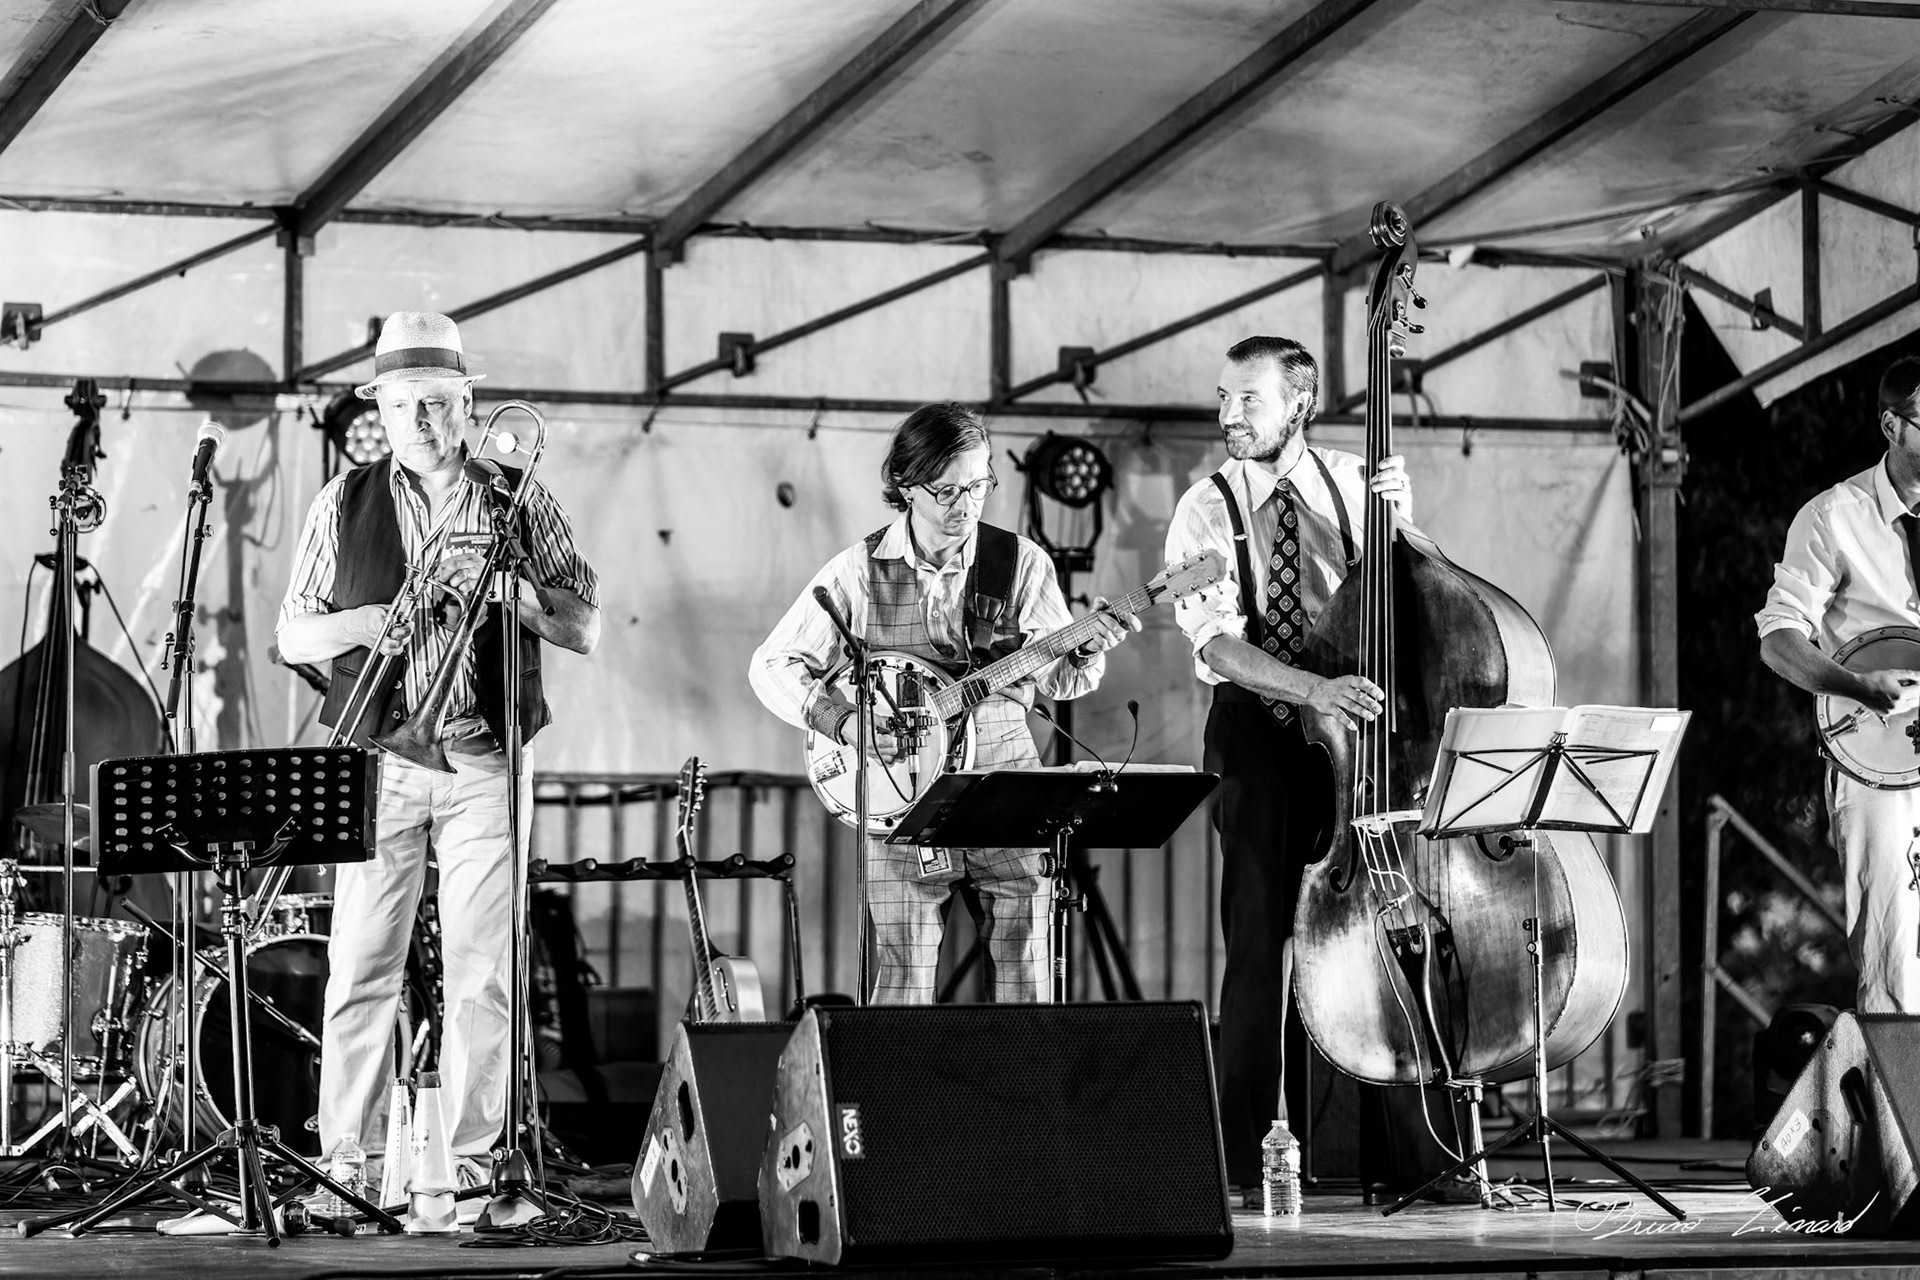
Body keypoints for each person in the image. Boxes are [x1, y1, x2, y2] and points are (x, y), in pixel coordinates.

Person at [277, 312, 600, 1188]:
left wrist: (512, 591)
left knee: (482, 974)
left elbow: (585, 626)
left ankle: (468, 1163)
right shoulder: (340, 501)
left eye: (439, 402)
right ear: (377, 405)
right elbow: (293, 634)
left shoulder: (516, 495)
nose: (421, 421)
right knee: (359, 968)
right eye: (403, 403)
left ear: (468, 402)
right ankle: (347, 1162)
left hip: (485, 760)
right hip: (381, 760)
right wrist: (367, 620)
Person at [1165, 335, 1465, 1198]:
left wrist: (1405, 530)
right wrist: (1313, 689)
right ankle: (1236, 1164)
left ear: (1299, 402)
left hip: (1363, 738)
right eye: (1223, 396)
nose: (1228, 415)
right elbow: (1216, 642)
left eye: (1248, 400)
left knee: (1390, 930)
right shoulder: (1205, 506)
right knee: (1258, 945)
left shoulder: (1355, 481)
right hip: (1257, 728)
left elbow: (1420, 598)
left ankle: (1420, 1159)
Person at [749, 402, 1136, 1003]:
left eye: (979, 485)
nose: (967, 505)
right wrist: (844, 722)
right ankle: (895, 1098)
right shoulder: (857, 569)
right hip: (902, 801)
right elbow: (772, 665)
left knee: (1029, 976)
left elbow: (1061, 681)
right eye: (948, 489)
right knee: (902, 983)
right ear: (905, 486)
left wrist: (1085, 653)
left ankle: (1024, 1098)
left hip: (1008, 793)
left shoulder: (1022, 563)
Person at [1759, 354, 1920, 1012]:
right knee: (1897, 958)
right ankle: (1900, 1114)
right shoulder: (1833, 518)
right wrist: (1856, 686)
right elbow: (1778, 641)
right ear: (1892, 425)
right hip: (1880, 766)